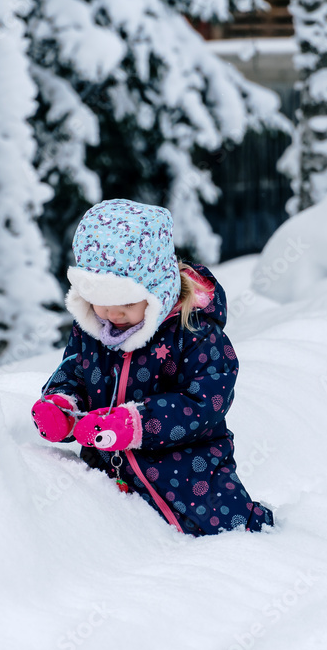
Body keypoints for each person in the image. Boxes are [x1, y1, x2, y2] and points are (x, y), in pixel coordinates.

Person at [31, 198, 273, 536]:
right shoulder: (92, 330)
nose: (112, 315)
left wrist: (135, 424)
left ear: (157, 289)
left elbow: (206, 402)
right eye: (101, 300)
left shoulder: (194, 334)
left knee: (236, 536)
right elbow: (75, 371)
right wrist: (63, 406)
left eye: (126, 303)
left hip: (192, 479)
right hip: (111, 483)